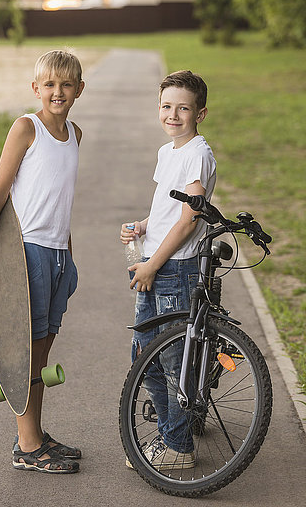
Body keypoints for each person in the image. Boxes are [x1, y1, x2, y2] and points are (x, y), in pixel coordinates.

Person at [0, 49, 85, 474]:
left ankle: (31, 434)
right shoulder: (25, 129)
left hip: (57, 257)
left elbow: (62, 201)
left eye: (66, 85)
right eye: (49, 85)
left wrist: (69, 259)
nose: (57, 92)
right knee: (25, 353)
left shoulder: (76, 135)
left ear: (79, 91)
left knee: (42, 349)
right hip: (27, 253)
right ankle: (28, 445)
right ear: (36, 88)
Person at [120, 70, 216, 470]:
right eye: (166, 106)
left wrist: (150, 265)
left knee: (167, 359)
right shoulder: (169, 151)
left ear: (200, 113)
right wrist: (144, 225)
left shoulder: (197, 154)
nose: (172, 115)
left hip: (173, 270)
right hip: (158, 264)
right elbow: (169, 211)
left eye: (183, 108)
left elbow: (189, 220)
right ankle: (174, 430)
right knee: (147, 355)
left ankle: (177, 447)